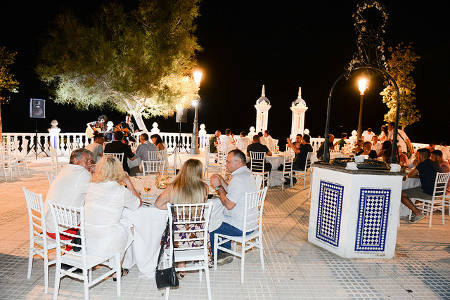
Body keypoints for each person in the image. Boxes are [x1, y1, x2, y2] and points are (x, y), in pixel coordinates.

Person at [84, 155, 142, 279]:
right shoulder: (120, 191)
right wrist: (128, 181)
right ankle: (117, 269)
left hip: (87, 235)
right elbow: (137, 203)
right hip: (106, 237)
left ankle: (109, 261)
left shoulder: (91, 186)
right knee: (129, 225)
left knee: (120, 221)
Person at [154, 159, 212, 272]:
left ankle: (181, 264)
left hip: (177, 237)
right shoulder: (204, 188)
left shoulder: (173, 187)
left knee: (177, 228)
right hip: (198, 236)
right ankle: (183, 263)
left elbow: (158, 204)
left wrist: (174, 207)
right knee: (189, 227)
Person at [209, 149, 258, 265]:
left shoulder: (238, 179)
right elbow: (232, 192)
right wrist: (221, 181)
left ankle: (212, 257)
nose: (226, 164)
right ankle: (224, 253)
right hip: (251, 223)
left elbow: (229, 205)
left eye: (228, 162)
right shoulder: (247, 174)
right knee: (220, 216)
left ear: (239, 162)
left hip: (241, 227)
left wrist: (218, 188)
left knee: (210, 223)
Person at [44, 148, 94, 238]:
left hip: (49, 226)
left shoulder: (65, 169)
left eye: (91, 161)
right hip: (62, 231)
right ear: (75, 160)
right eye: (87, 161)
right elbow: (98, 192)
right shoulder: (82, 173)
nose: (89, 164)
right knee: (99, 226)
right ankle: (73, 249)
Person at [402, 148, 440, 223]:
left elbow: (410, 175)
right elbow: (429, 175)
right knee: (413, 190)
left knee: (401, 194)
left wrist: (417, 165)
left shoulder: (422, 164)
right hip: (437, 192)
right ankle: (412, 213)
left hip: (428, 192)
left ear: (421, 155)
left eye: (417, 154)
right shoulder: (434, 163)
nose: (416, 156)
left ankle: (417, 213)